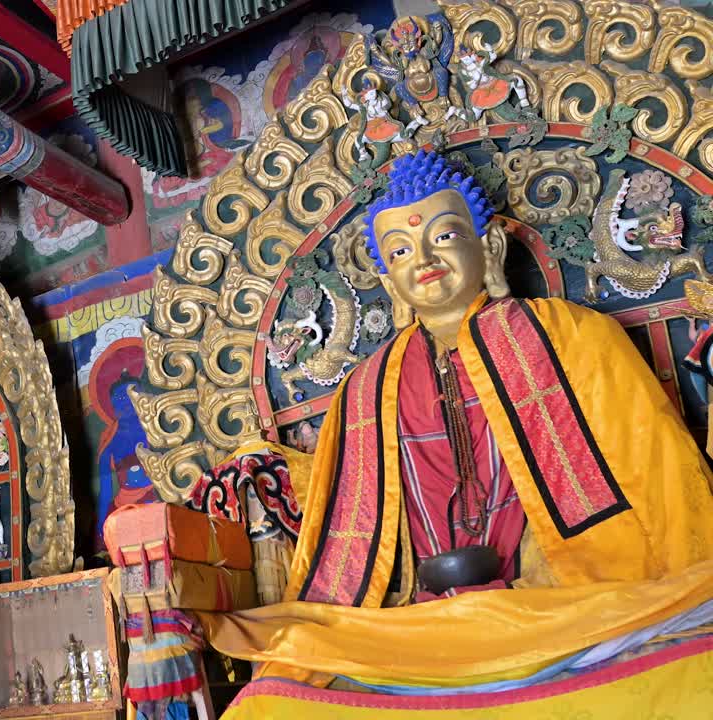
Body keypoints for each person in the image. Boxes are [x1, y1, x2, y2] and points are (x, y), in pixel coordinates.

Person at [197, 151, 713, 709]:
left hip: (568, 601)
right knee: (267, 703)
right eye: (399, 251)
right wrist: (262, 464)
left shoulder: (577, 337)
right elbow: (347, 508)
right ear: (388, 279)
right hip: (420, 627)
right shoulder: (363, 390)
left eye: (443, 237)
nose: (423, 259)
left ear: (489, 249)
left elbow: (664, 477)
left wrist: (688, 572)